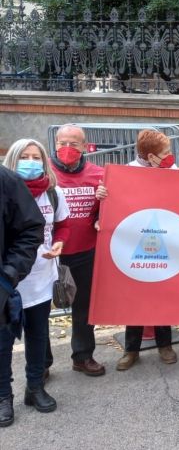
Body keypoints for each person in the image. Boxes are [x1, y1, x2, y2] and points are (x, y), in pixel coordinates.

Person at [0, 140, 70, 419]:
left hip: (41, 276)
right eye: (25, 157)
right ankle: (4, 396)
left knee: (38, 336)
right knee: (3, 342)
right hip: (8, 282)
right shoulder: (6, 188)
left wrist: (60, 243)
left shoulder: (53, 193)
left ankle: (35, 387)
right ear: (13, 161)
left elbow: (62, 225)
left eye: (36, 156)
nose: (31, 162)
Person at [114, 130, 178, 370]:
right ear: (151, 156)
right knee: (136, 295)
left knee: (162, 293)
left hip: (166, 239)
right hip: (135, 241)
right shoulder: (126, 172)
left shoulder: (174, 173)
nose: (170, 156)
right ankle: (131, 350)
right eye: (166, 153)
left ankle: (165, 345)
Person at [50, 124, 106, 377]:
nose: (68, 148)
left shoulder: (100, 174)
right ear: (55, 144)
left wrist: (102, 212)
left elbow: (107, 211)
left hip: (85, 251)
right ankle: (40, 365)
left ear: (85, 147)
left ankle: (83, 356)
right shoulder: (43, 172)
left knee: (83, 306)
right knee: (40, 309)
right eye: (63, 143)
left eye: (74, 143)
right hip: (48, 254)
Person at [0, 165, 45, 427]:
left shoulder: (5, 180)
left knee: (9, 339)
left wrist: (7, 275)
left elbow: (31, 228)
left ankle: (19, 391)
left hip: (10, 281)